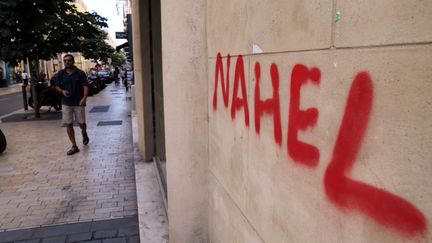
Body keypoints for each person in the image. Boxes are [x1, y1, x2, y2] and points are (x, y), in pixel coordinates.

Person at [54, 54, 89, 155]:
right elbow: (56, 86)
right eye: (65, 61)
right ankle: (74, 146)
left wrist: (84, 98)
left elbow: (85, 87)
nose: (67, 62)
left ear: (73, 61)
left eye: (69, 60)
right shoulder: (61, 73)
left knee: (81, 123)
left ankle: (84, 132)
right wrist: (62, 91)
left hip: (79, 102)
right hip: (66, 103)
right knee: (68, 124)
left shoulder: (80, 73)